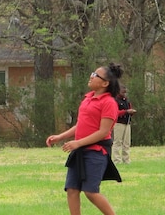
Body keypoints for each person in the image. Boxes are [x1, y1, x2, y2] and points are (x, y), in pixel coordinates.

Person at [47, 64, 124, 215]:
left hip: (96, 153)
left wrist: (78, 143)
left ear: (105, 83)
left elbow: (103, 132)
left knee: (90, 192)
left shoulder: (109, 103)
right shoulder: (88, 98)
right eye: (93, 73)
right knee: (72, 190)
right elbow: (81, 125)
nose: (91, 76)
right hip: (80, 151)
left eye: (96, 75)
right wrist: (60, 137)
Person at [112, 85, 136, 164]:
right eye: (123, 92)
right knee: (117, 142)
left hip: (127, 123)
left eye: (126, 92)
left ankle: (126, 160)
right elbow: (115, 113)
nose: (125, 94)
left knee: (126, 143)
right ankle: (117, 160)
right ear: (119, 91)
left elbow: (129, 108)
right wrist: (126, 112)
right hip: (119, 123)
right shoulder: (115, 100)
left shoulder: (127, 101)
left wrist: (131, 112)